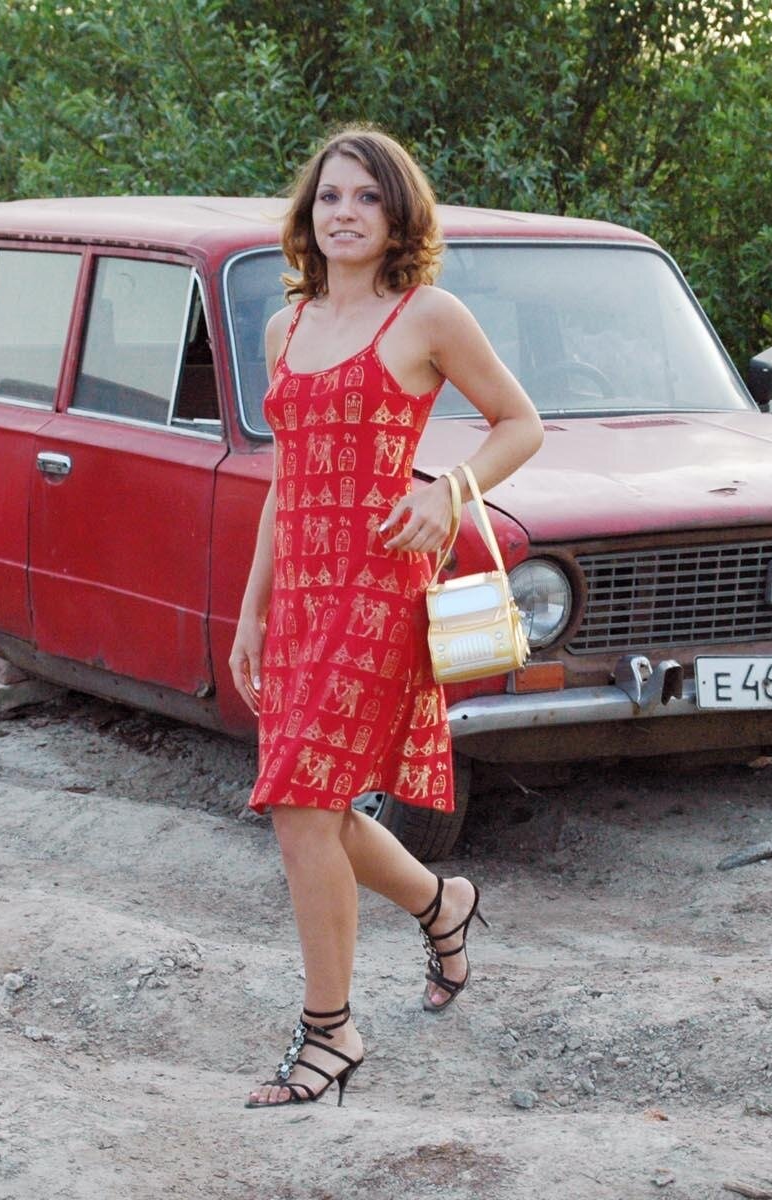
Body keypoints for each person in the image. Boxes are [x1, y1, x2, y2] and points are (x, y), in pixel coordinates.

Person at [230, 126, 544, 1108]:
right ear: (308, 213)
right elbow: (285, 483)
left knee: (299, 806)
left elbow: (521, 425)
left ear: (398, 214)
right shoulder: (284, 329)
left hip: (377, 591)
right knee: (314, 805)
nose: (346, 213)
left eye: (367, 197)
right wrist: (251, 611)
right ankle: (442, 902)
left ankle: (330, 1032)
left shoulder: (428, 315)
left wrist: (449, 491)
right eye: (331, 196)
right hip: (301, 596)